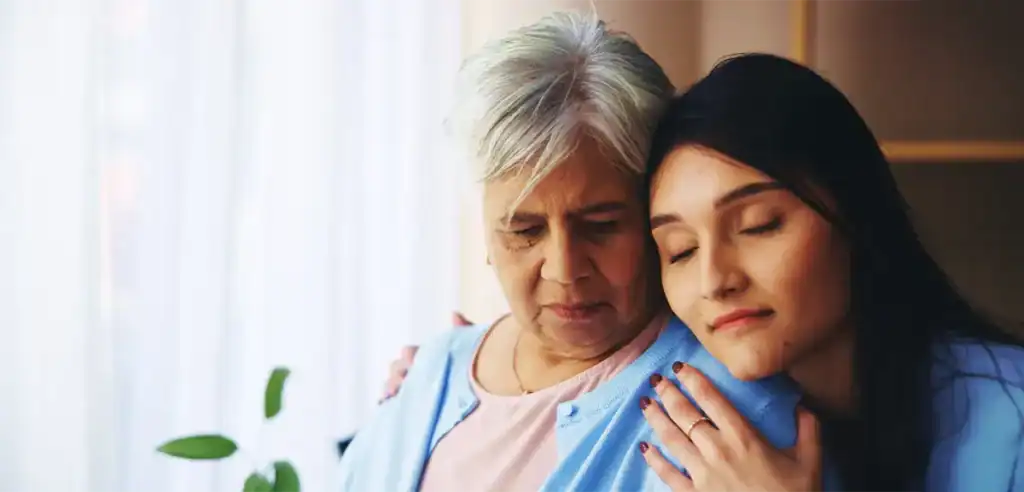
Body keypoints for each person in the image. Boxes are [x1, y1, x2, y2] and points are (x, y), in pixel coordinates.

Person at [384, 54, 1024, 491]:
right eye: (680, 250)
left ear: (857, 212)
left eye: (759, 226)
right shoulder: (445, 377)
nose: (715, 280)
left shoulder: (1007, 418)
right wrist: (443, 375)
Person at [338, 12, 835, 492]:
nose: (565, 269)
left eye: (601, 226)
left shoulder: (737, 424)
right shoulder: (431, 371)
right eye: (524, 231)